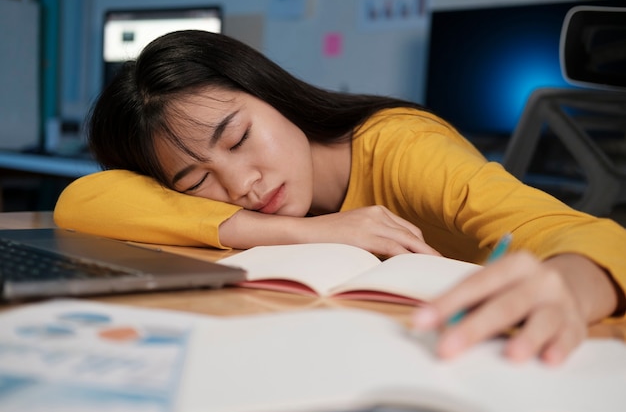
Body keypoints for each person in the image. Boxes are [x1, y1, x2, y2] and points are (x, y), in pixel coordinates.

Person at [55, 30, 626, 365]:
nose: (240, 187)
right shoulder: (277, 208)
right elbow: (83, 199)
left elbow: (578, 232)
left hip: (491, 353)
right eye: (196, 183)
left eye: (238, 138)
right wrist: (301, 232)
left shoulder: (401, 146)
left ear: (270, 92)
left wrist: (571, 286)